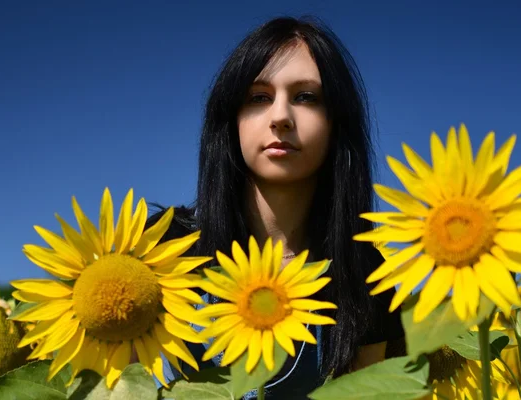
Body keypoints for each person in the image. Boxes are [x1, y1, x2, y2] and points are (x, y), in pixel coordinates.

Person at [146, 16, 405, 399]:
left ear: (336, 123)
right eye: (258, 98)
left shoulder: (363, 273)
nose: (281, 117)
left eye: (306, 97)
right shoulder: (166, 246)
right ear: (231, 119)